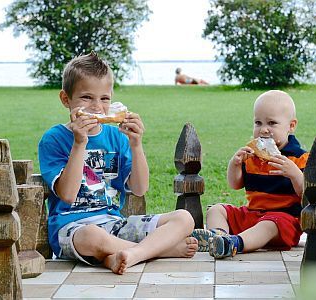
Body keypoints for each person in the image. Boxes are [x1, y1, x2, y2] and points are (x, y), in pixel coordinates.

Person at [38, 52, 198, 275]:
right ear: (66, 99)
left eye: (104, 99)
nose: (96, 107)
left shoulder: (116, 137)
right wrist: (79, 143)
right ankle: (158, 251)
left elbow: (140, 188)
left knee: (184, 218)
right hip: (72, 228)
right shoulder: (54, 138)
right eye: (86, 97)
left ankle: (120, 257)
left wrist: (136, 144)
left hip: (114, 224)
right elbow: (67, 195)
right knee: (93, 236)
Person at [192, 90, 309, 258]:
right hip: (252, 214)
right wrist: (235, 164)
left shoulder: (300, 158)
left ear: (291, 126)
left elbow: (306, 194)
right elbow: (235, 184)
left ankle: (233, 244)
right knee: (216, 210)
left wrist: (295, 174)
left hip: (283, 222)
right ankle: (217, 237)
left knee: (269, 224)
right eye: (258, 123)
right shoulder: (253, 156)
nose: (264, 130)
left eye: (272, 123)